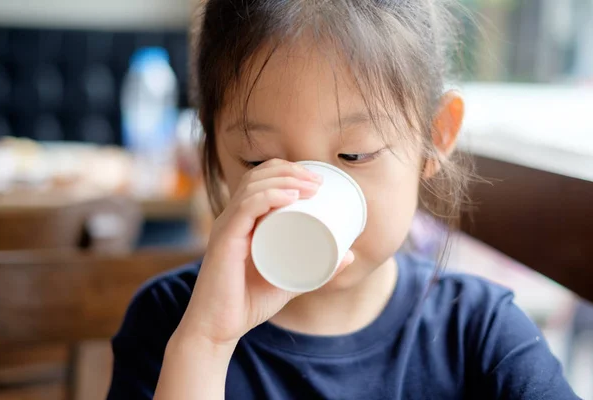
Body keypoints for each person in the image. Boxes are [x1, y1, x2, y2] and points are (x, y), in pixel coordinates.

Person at [107, 1, 579, 399]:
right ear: (213, 148)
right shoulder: (173, 322)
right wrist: (205, 344)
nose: (306, 198)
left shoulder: (480, 333)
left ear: (434, 136)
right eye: (258, 161)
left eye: (354, 154)